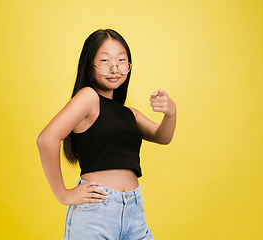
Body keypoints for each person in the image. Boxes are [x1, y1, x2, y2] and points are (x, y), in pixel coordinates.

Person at [37, 29, 176, 240]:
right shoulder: (89, 98)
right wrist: (63, 194)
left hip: (134, 210)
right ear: (89, 64)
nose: (114, 68)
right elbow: (46, 139)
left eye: (121, 60)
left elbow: (162, 136)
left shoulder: (128, 113)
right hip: (97, 213)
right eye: (104, 60)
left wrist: (170, 112)